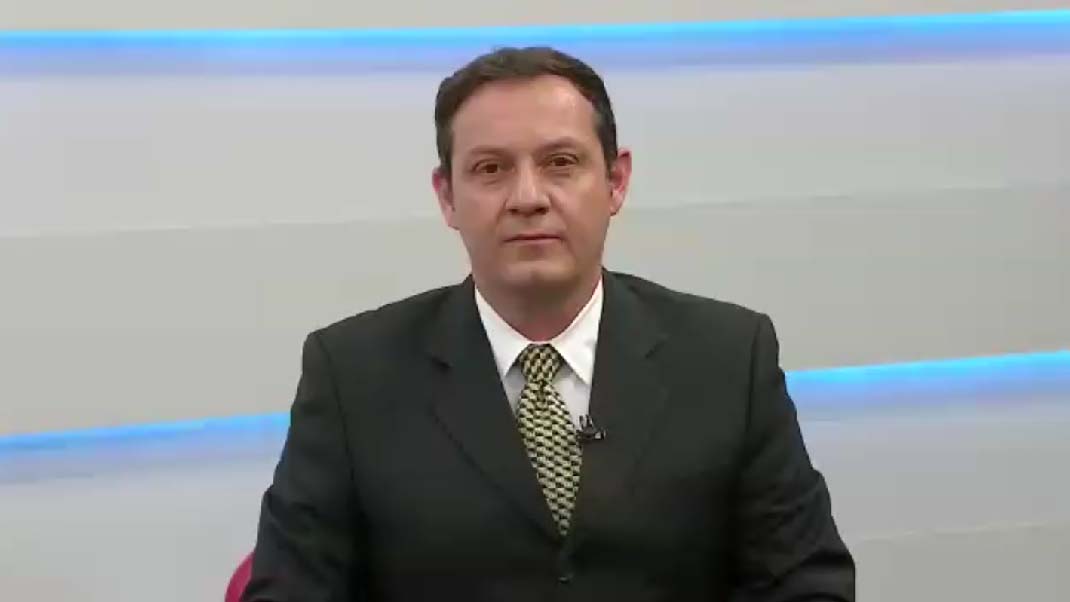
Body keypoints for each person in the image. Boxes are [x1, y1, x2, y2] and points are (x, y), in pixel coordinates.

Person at [243, 46, 855, 602]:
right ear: (447, 196)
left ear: (615, 181)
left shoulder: (728, 358)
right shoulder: (352, 374)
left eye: (561, 162)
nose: (528, 197)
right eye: (491, 169)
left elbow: (806, 585)